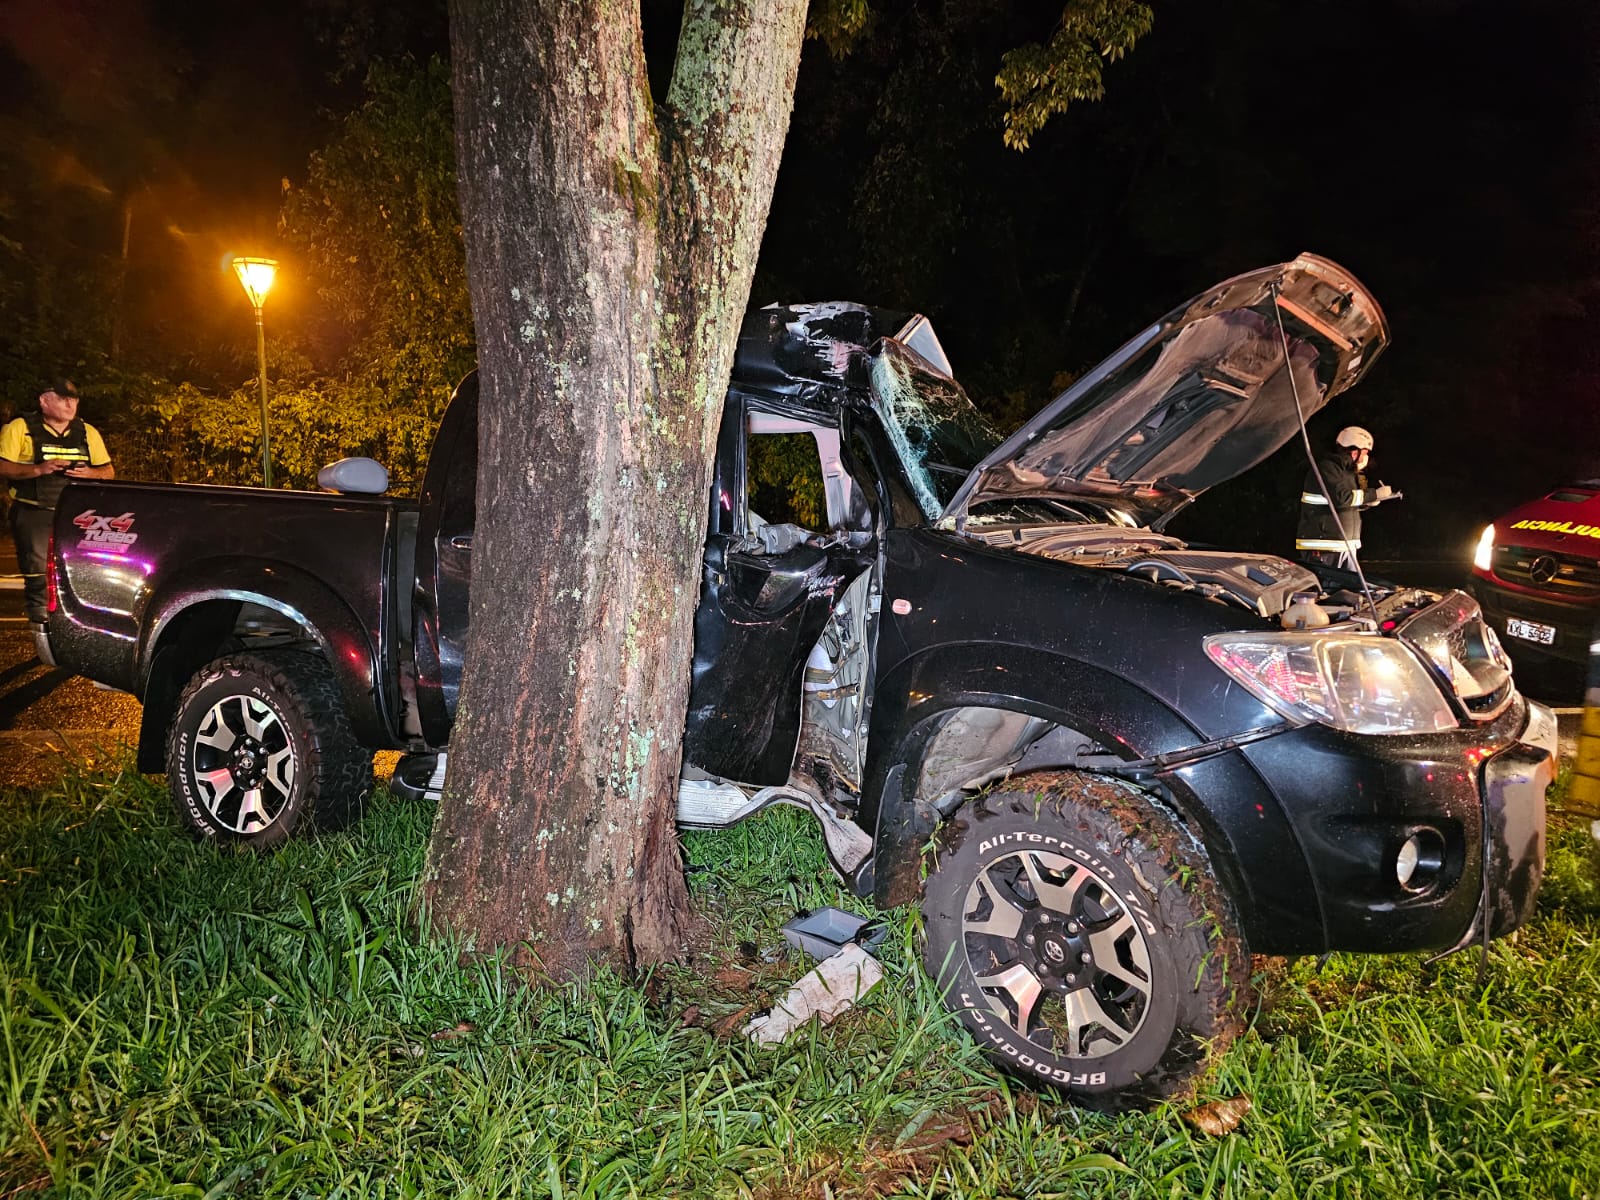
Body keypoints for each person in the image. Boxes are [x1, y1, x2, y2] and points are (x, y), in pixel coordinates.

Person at [0, 378, 114, 626]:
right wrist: (39, 470)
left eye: (73, 399)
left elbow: (108, 471)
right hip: (35, 510)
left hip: (78, 513)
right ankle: (41, 626)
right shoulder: (19, 428)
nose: (69, 404)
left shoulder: (87, 431)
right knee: (38, 571)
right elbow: (3, 466)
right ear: (44, 401)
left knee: (80, 568)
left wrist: (90, 474)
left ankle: (78, 622)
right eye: (62, 399)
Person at [1295, 425, 1398, 569]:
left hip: (1343, 543)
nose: (1366, 457)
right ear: (1355, 450)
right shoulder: (1328, 468)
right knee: (1331, 588)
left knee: (1351, 587)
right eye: (1365, 452)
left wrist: (1369, 502)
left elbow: (1349, 500)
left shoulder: (1347, 473)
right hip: (1325, 544)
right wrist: (1374, 494)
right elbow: (1341, 498)